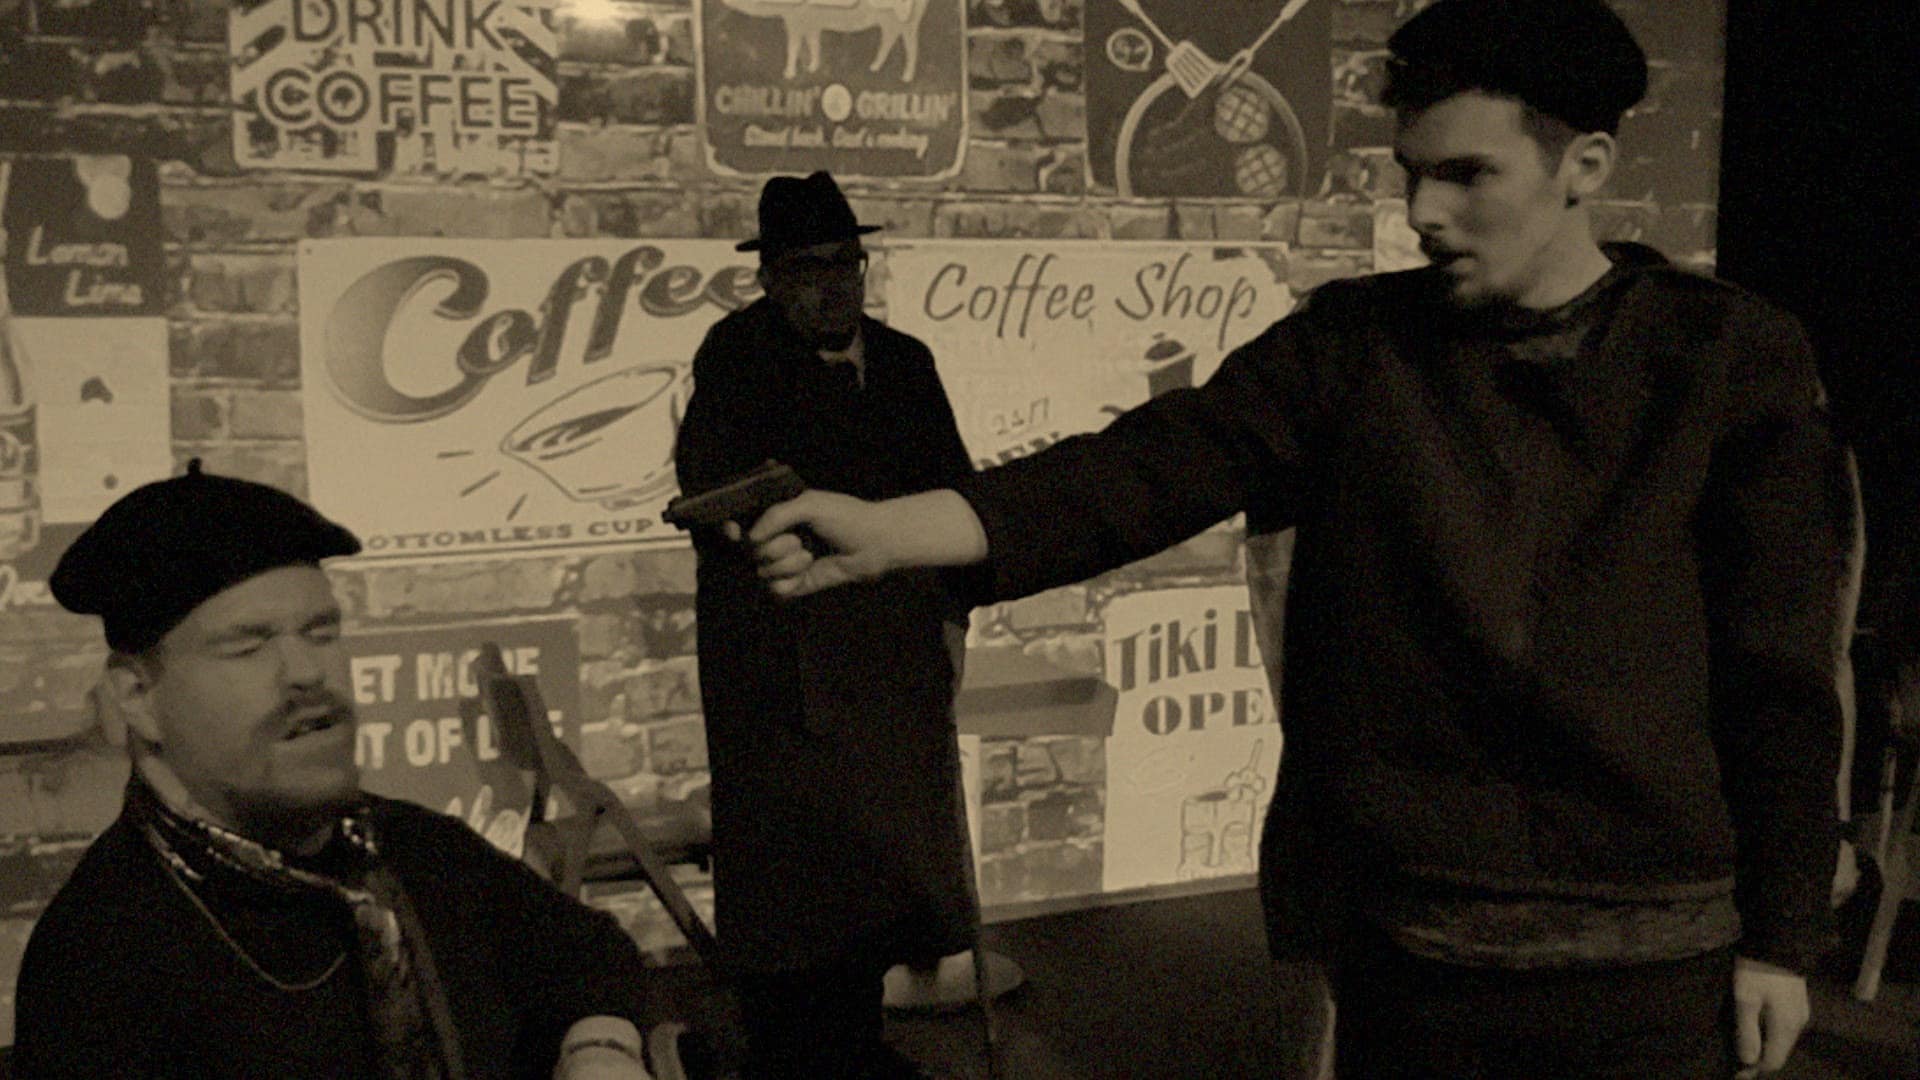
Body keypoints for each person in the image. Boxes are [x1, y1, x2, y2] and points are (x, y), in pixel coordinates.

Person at [740, 2, 1855, 1077]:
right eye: (1411, 172)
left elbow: (1780, 673)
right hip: (1409, 952)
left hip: (1650, 963)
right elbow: (1145, 469)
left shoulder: (1722, 359)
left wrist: (1781, 940)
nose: (1423, 211)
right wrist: (890, 531)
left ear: (1586, 167)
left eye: (1468, 174)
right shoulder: (1356, 347)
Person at [12, 460, 657, 1080]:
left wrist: (600, 1048)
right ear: (138, 698)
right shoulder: (100, 959)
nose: (306, 673)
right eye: (248, 646)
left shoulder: (416, 849)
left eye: (321, 634)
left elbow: (586, 953)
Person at [672, 170, 980, 1079]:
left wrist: (954, 622)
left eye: (847, 262)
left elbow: (955, 494)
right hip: (786, 670)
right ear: (769, 279)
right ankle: (794, 1062)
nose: (833, 285)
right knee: (797, 900)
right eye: (808, 269)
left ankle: (858, 1051)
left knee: (885, 884)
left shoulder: (907, 361)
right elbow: (711, 485)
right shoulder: (736, 354)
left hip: (894, 663)